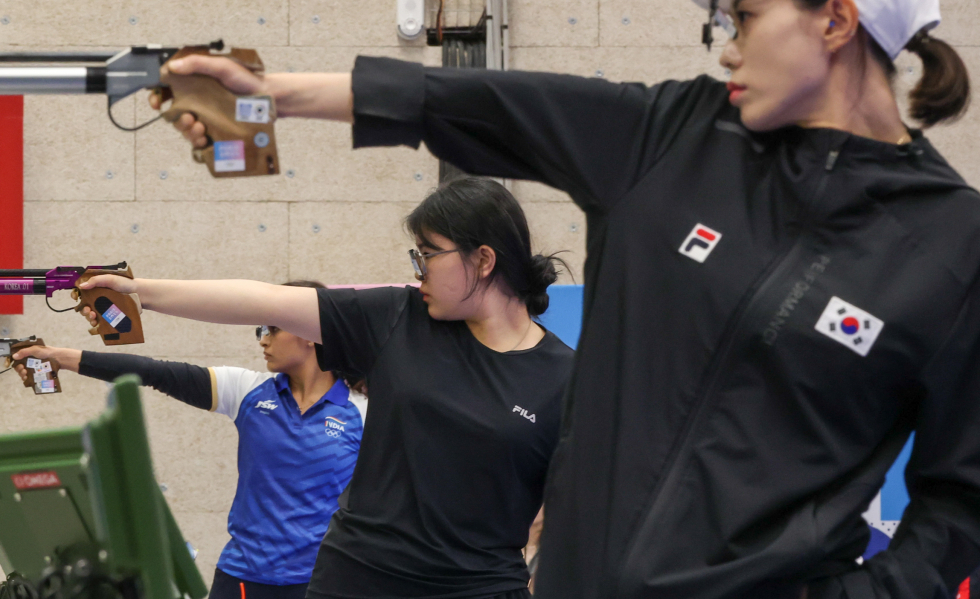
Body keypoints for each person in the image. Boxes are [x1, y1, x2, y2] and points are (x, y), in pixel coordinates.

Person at [149, 0, 980, 597]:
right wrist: (265, 94)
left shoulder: (954, 246)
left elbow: (963, 494)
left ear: (835, 21)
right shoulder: (676, 139)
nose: (726, 49)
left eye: (744, 19)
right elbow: (476, 105)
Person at [78, 177, 574, 598]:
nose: (417, 271)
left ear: (483, 260)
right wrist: (141, 291)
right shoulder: (399, 317)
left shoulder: (565, 379)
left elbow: (581, 513)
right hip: (357, 580)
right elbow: (263, 301)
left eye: (428, 255)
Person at [11, 281, 367, 599]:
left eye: (272, 328)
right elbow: (154, 372)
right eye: (261, 329)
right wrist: (60, 358)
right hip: (240, 579)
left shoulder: (366, 412)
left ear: (309, 331)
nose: (263, 338)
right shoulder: (248, 390)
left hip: (322, 583)